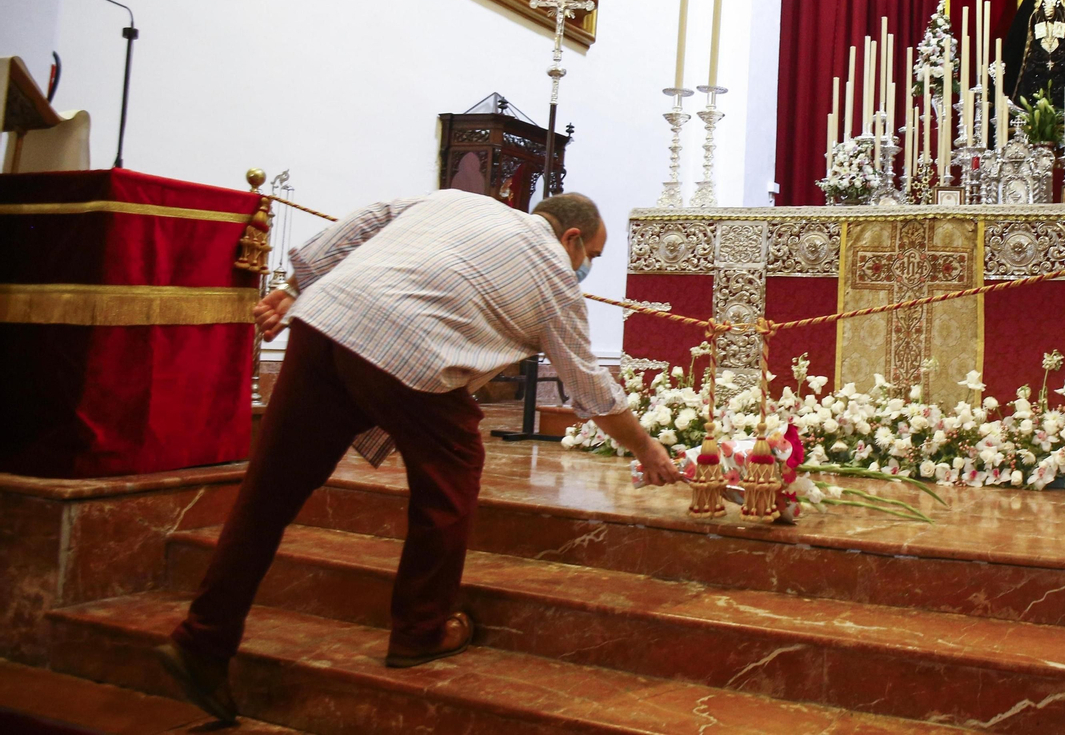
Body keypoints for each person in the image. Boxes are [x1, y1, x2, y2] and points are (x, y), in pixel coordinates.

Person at [155, 191, 677, 724]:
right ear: (571, 238)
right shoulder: (553, 272)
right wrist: (646, 446)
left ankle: (202, 640)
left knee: (268, 492)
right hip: (410, 349)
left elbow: (367, 216)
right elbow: (588, 385)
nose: (587, 267)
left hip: (325, 318)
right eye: (592, 254)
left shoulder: (455, 201)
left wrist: (295, 286)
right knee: (448, 483)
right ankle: (421, 629)